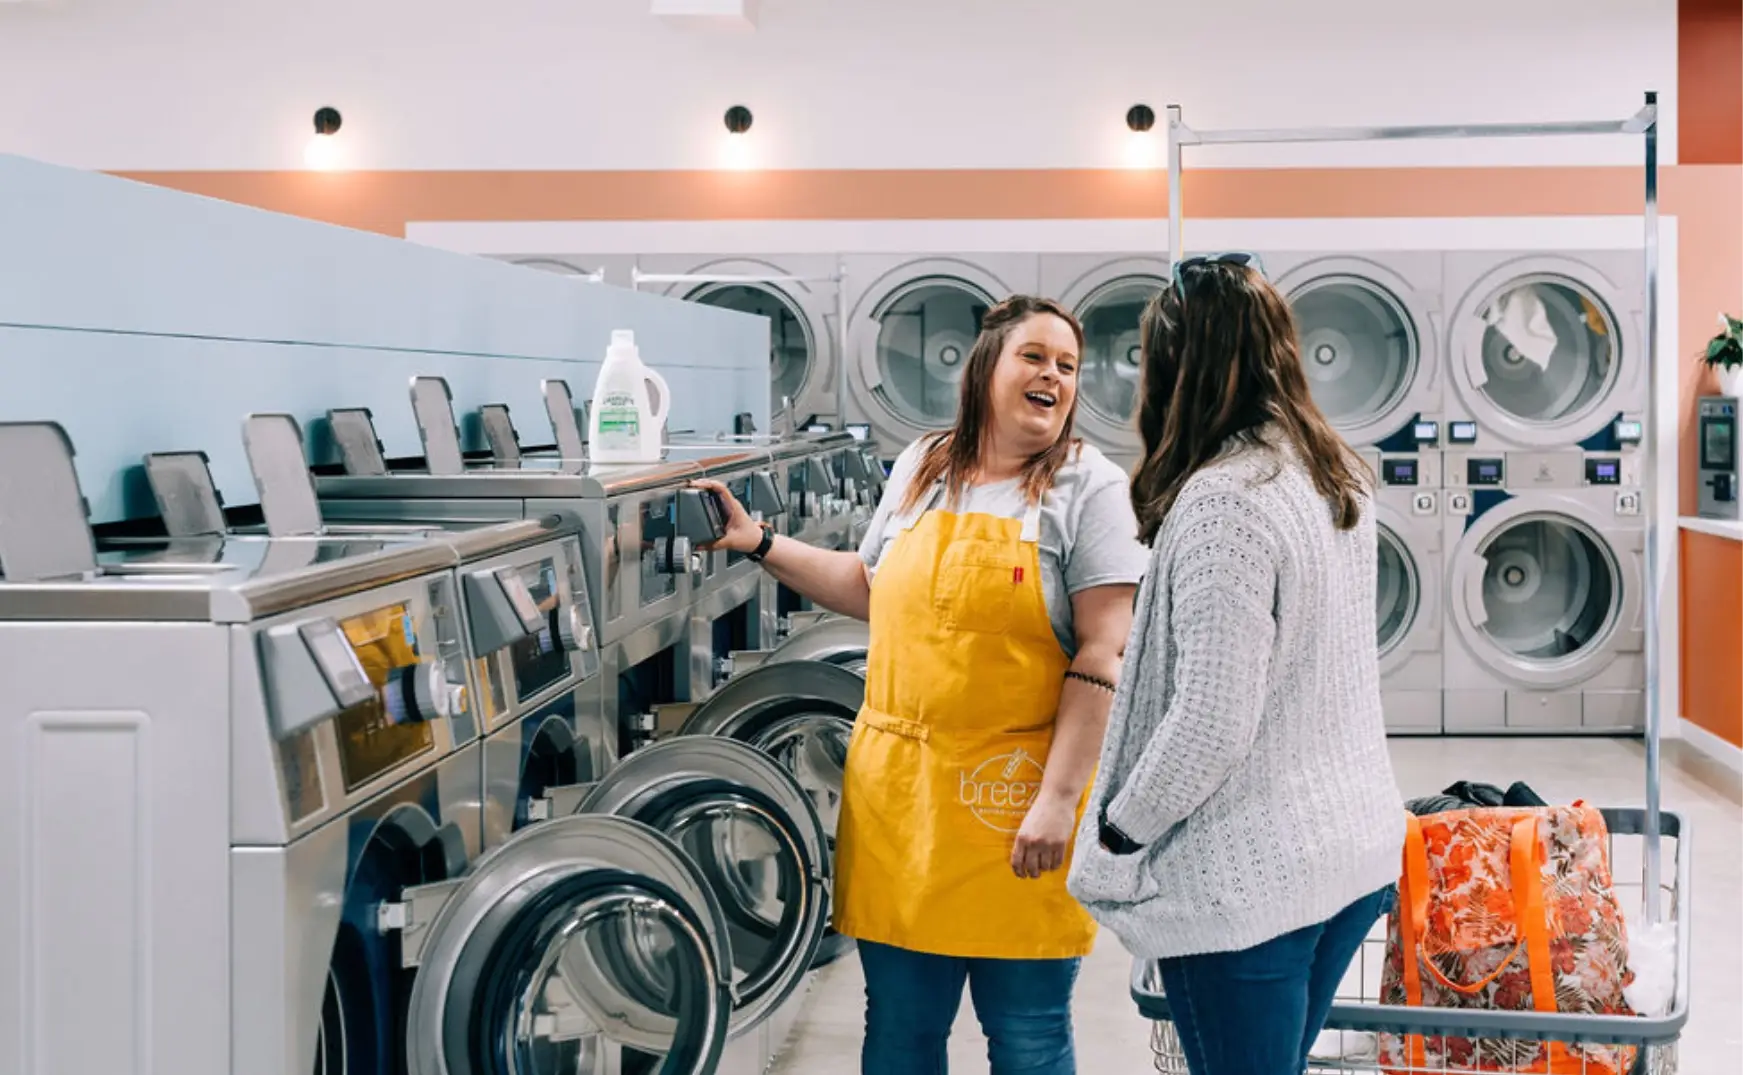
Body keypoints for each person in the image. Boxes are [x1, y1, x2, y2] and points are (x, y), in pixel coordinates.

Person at [697, 294, 1147, 1075]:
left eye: (1067, 366)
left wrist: (1056, 799)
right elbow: (871, 586)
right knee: (900, 1029)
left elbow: (1102, 652)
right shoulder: (924, 464)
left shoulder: (1089, 487)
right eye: (1034, 356)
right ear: (986, 367)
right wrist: (760, 542)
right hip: (901, 800)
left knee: (1028, 1032)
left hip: (1015, 798)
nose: (1053, 375)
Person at [1065, 255, 1407, 1075]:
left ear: (1173, 369)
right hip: (1347, 851)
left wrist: (1120, 827)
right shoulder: (1331, 472)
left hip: (1253, 884)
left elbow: (1212, 718)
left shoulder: (1225, 500)